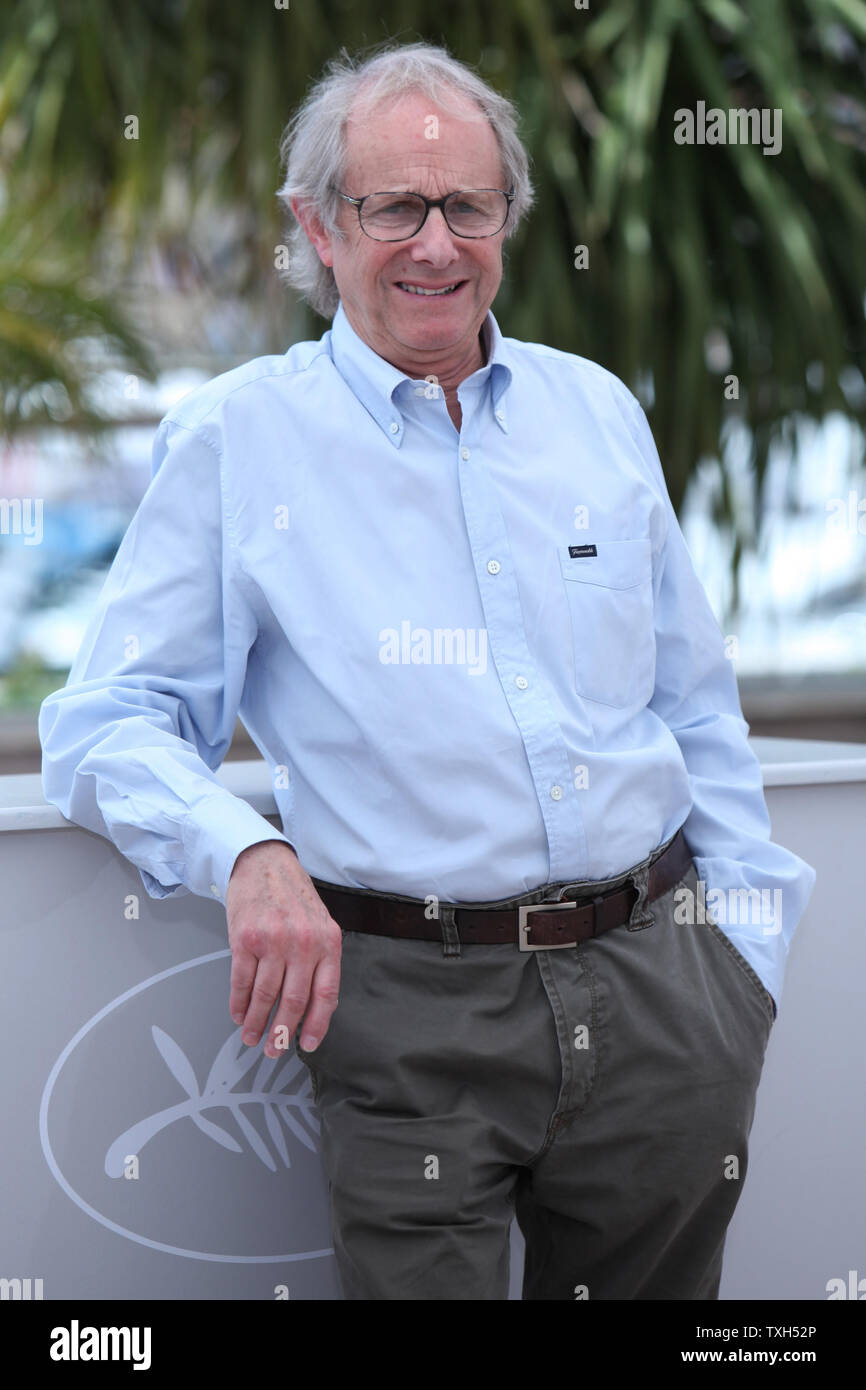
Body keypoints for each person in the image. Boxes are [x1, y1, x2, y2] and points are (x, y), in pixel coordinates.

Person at [39, 40, 816, 1301]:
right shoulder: (243, 439)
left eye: (467, 205)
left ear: (507, 218)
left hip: (663, 996)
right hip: (409, 1012)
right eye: (393, 206)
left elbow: (690, 702)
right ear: (317, 228)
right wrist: (247, 850)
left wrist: (740, 962)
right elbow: (104, 719)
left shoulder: (596, 413)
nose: (435, 245)